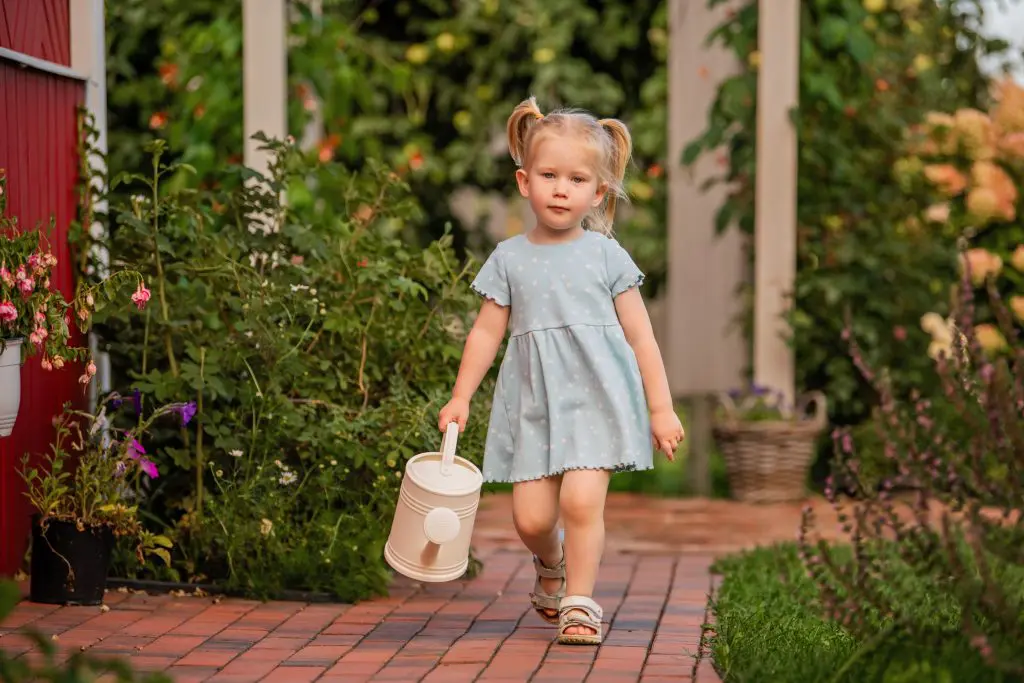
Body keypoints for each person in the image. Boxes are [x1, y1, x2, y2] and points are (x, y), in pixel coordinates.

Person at [438, 96, 684, 646]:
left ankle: (580, 602)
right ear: (524, 181)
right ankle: (551, 566)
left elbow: (641, 336)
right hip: (534, 404)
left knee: (580, 502)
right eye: (549, 175)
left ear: (596, 192)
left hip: (599, 399)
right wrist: (461, 396)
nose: (560, 188)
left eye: (576, 179)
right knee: (530, 520)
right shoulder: (508, 258)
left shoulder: (606, 256)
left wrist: (661, 408)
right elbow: (485, 333)